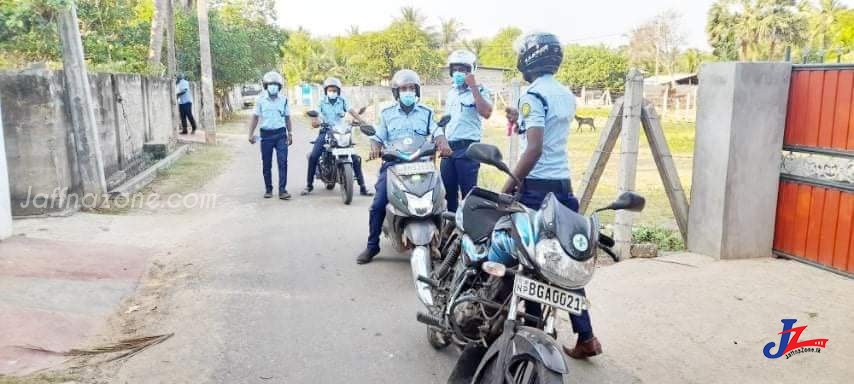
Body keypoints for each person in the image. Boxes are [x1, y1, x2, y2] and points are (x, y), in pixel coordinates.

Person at [503, 32, 601, 359]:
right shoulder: (565, 94)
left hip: (536, 190)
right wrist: (519, 119)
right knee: (565, 264)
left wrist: (509, 184)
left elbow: (534, 148)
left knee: (532, 261)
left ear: (529, 59)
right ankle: (586, 336)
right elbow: (548, 131)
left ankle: (531, 335)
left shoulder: (533, 94)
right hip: (563, 186)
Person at [356, 69, 451, 265]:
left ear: (417, 91)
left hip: (422, 164)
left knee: (439, 200)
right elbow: (377, 136)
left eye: (411, 88)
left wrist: (442, 142)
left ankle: (436, 242)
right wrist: (375, 147)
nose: (408, 92)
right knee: (378, 203)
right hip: (394, 164)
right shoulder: (387, 114)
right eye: (403, 89)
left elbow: (436, 130)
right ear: (396, 93)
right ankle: (372, 245)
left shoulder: (426, 112)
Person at [440, 49, 493, 212]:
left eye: (462, 70)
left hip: (468, 150)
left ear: (471, 71)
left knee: (468, 195)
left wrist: (474, 87)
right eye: (455, 69)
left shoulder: (481, 90)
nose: (458, 73)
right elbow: (446, 120)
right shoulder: (451, 93)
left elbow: (486, 112)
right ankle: (451, 230)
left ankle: (468, 233)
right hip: (449, 149)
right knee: (449, 194)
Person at [302, 77, 373, 197]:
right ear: (326, 91)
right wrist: (315, 121)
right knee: (314, 156)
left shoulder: (343, 101)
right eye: (330, 90)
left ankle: (363, 187)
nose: (332, 92)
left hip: (341, 131)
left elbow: (352, 111)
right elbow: (316, 116)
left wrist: (362, 121)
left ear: (338, 91)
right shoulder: (321, 101)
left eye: (334, 90)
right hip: (326, 131)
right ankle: (309, 185)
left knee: (355, 158)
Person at [247, 71, 292, 200]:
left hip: (281, 134)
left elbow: (288, 118)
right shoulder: (260, 99)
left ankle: (282, 190)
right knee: (266, 163)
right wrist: (250, 134)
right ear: (266, 86)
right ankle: (268, 189)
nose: (273, 86)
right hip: (266, 135)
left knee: (282, 162)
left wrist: (290, 133)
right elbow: (255, 117)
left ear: (280, 86)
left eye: (276, 84)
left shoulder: (284, 100)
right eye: (270, 84)